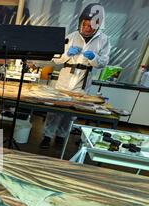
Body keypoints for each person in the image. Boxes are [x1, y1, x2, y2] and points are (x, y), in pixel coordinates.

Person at [40, 3, 110, 149]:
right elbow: (56, 58)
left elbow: (103, 63)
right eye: (85, 25)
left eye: (91, 26)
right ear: (81, 23)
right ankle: (47, 136)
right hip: (65, 79)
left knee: (70, 113)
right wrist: (67, 53)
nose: (87, 28)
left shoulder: (103, 40)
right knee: (55, 110)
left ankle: (61, 137)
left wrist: (94, 57)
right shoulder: (71, 37)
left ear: (97, 26)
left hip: (83, 81)